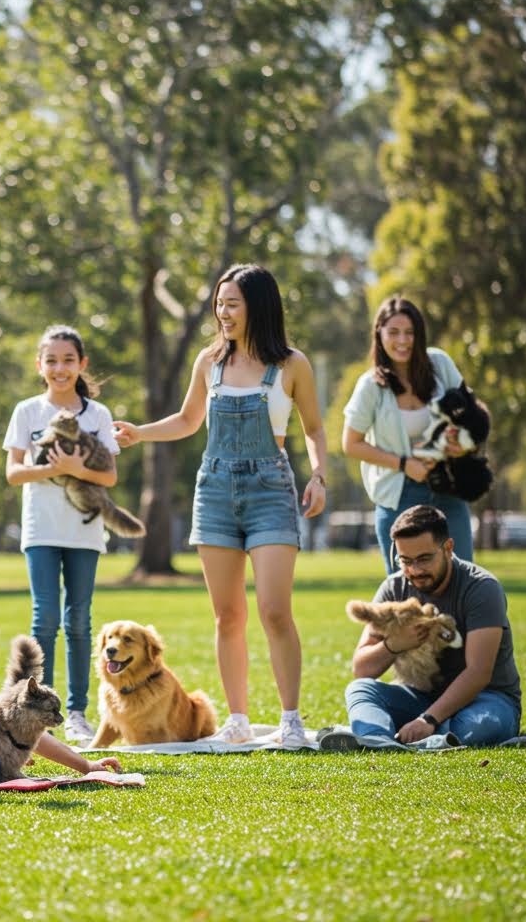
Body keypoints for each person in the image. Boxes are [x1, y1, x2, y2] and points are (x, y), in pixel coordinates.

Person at [114, 264, 327, 749]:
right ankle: (238, 718)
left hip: (271, 491)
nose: (222, 312)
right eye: (219, 303)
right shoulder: (209, 361)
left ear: (259, 306)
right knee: (227, 616)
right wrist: (141, 432)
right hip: (214, 492)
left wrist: (319, 476)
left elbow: (313, 428)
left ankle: (291, 718)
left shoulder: (292, 365)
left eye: (232, 303)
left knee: (274, 611)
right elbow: (189, 421)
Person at [3, 324, 122, 746]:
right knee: (45, 618)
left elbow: (108, 474)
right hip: (41, 530)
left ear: (82, 364)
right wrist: (53, 469)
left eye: (68, 360)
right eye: (51, 360)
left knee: (79, 621)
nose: (60, 368)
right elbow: (14, 472)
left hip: (84, 533)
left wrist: (76, 470)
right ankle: (35, 712)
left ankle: (75, 713)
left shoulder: (98, 415)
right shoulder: (27, 411)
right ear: (40, 365)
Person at [333, 504, 520, 749]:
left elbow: (479, 672)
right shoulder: (394, 588)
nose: (415, 570)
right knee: (360, 690)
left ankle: (409, 735)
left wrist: (428, 719)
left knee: (482, 723)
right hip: (418, 697)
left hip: (485, 699)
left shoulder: (482, 588)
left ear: (448, 548)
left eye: (424, 559)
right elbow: (361, 669)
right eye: (405, 560)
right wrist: (395, 645)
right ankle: (378, 740)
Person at [342, 295, 475, 570]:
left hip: (447, 487)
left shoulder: (440, 364)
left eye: (409, 333)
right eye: (394, 332)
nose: (402, 341)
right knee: (407, 589)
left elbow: (471, 412)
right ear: (379, 333)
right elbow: (351, 444)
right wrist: (405, 464)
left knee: (462, 579)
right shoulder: (370, 385)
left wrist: (461, 444)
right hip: (399, 494)